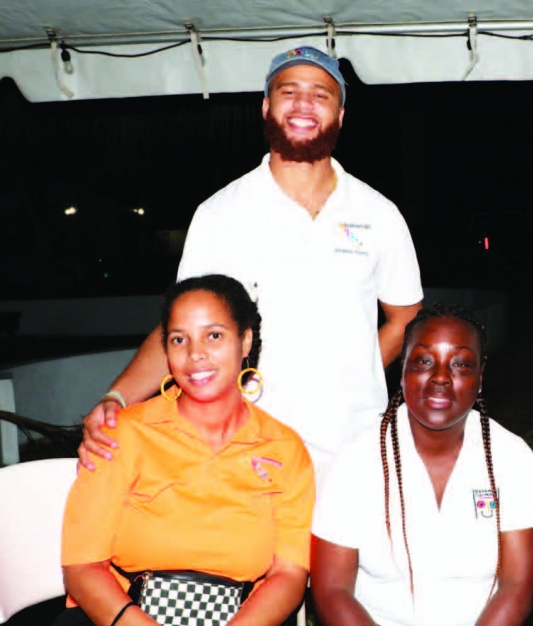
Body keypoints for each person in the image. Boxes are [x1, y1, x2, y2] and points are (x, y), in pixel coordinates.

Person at [80, 45, 423, 471]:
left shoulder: (378, 213)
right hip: (248, 445)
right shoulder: (220, 213)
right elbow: (179, 331)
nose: (303, 104)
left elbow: (406, 315)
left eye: (321, 95)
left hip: (355, 447)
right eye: (288, 92)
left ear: (340, 115)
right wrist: (117, 398)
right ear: (266, 106)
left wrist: (358, 370)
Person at [58, 274, 314, 626]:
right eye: (179, 339)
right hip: (125, 615)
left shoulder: (284, 448)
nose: (196, 354)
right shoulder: (123, 434)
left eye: (214, 336)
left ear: (245, 341)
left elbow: (289, 574)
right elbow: (83, 567)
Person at [311, 304, 533, 626]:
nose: (440, 377)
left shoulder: (512, 457)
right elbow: (333, 590)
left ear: (480, 376)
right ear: (403, 368)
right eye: (424, 361)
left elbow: (517, 586)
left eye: (461, 365)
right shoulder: (356, 458)